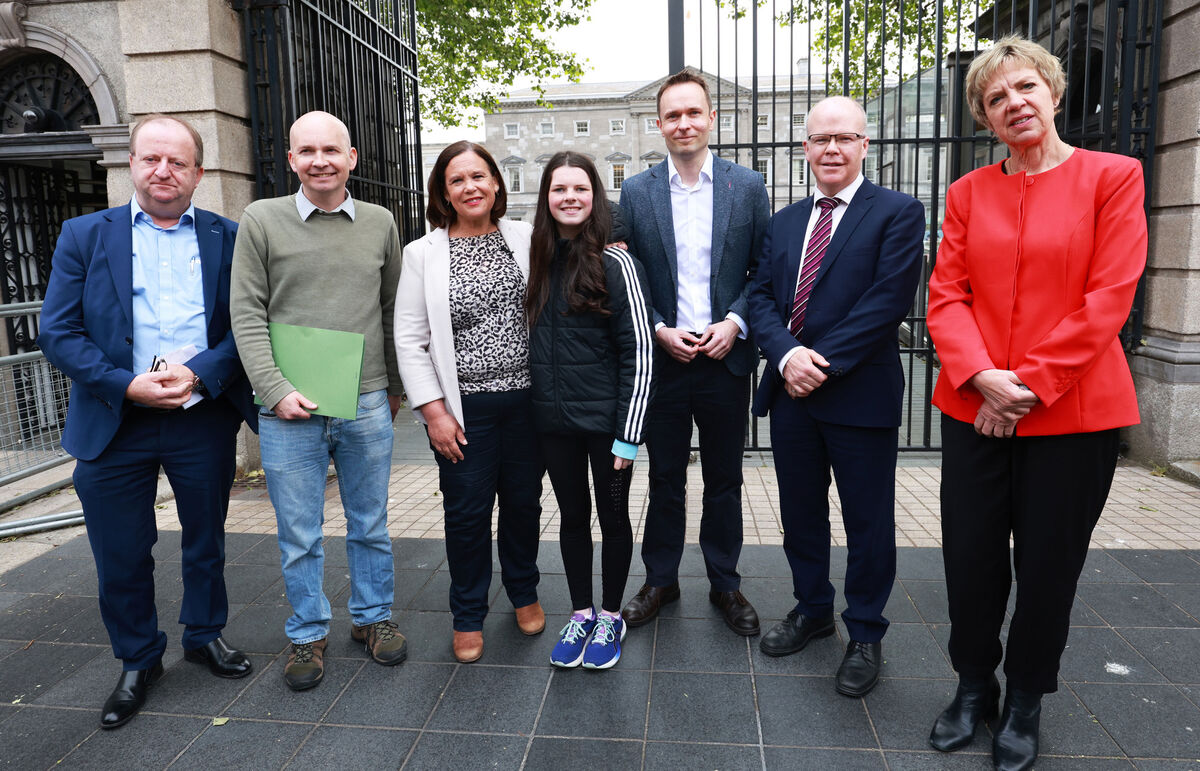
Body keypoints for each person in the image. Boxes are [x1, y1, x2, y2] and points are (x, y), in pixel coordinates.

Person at [926, 36, 1147, 771]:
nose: (1014, 103)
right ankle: (971, 685)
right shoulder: (967, 193)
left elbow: (1108, 298)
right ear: (986, 119)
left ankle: (1024, 698)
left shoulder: (1114, 177)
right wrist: (981, 374)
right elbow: (946, 296)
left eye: (1025, 87)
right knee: (971, 558)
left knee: (1050, 564)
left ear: (1052, 92)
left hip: (1073, 414)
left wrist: (1022, 388)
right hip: (975, 407)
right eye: (996, 98)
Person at [39, 114, 257, 728]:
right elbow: (58, 332)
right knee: (122, 551)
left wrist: (203, 374)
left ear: (199, 172)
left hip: (199, 415)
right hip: (114, 419)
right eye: (150, 159)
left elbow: (247, 327)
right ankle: (138, 657)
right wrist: (125, 384)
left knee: (205, 539)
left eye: (178, 162)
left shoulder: (230, 237)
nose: (164, 171)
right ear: (131, 163)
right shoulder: (84, 235)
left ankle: (204, 633)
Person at [746, 96, 925, 697]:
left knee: (867, 521)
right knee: (799, 514)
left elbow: (888, 300)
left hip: (858, 394)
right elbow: (763, 298)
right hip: (793, 394)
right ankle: (813, 609)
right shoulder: (786, 220)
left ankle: (866, 631)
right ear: (805, 148)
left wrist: (817, 362)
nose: (831, 149)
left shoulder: (898, 212)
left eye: (844, 138)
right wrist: (786, 355)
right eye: (820, 139)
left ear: (864, 145)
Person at [231, 111, 407, 691]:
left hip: (364, 400)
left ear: (352, 157)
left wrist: (397, 385)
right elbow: (246, 314)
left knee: (371, 522)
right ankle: (307, 631)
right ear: (291, 160)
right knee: (299, 531)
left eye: (331, 150)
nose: (320, 160)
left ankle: (373, 619)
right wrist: (276, 390)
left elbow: (392, 311)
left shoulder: (381, 223)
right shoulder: (261, 219)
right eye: (306, 151)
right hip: (288, 411)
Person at [618, 69, 771, 635]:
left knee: (725, 479)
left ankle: (725, 584)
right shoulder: (636, 193)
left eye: (693, 112)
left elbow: (764, 272)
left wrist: (735, 322)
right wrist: (656, 328)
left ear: (711, 119)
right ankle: (661, 579)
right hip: (664, 362)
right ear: (659, 126)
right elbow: (625, 275)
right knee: (663, 478)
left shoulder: (746, 187)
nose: (683, 123)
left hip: (724, 360)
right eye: (672, 115)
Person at [394, 141, 544, 664]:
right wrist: (433, 412)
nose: (470, 187)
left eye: (479, 176)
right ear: (444, 192)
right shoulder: (423, 254)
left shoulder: (525, 238)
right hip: (463, 411)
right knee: (466, 514)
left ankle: (524, 591)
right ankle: (467, 613)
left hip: (526, 404)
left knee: (524, 506)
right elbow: (410, 340)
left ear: (497, 183)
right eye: (457, 180)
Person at [526, 152, 654, 670]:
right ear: (546, 198)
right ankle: (581, 612)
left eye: (580, 188)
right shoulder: (533, 260)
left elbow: (640, 352)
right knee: (573, 518)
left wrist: (628, 435)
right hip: (554, 423)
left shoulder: (617, 263)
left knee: (613, 517)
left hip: (607, 428)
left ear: (596, 196)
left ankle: (610, 616)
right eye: (559, 189)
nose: (570, 198)